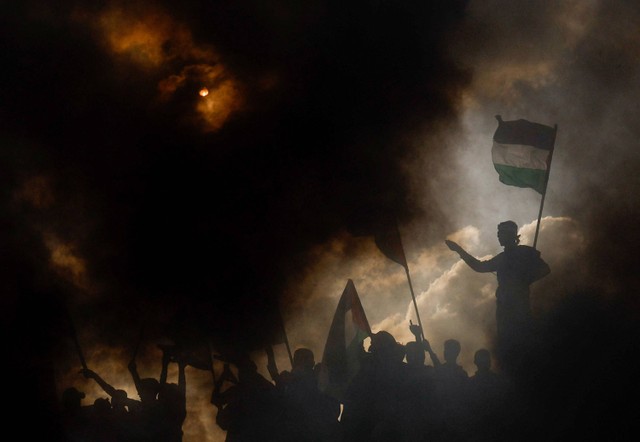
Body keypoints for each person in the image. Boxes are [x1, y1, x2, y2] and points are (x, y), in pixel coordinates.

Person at [445, 220, 550, 373]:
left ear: (511, 235)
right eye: (498, 234)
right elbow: (480, 267)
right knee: (506, 344)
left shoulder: (525, 253)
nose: (499, 237)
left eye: (501, 234)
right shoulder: (502, 258)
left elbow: (545, 269)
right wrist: (459, 251)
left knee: (521, 341)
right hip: (503, 307)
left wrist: (527, 279)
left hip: (519, 306)